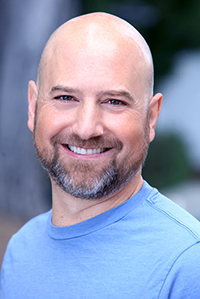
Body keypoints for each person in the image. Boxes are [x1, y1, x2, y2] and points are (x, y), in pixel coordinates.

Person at [1, 12, 200, 299]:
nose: (85, 128)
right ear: (33, 107)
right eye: (65, 98)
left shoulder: (187, 264)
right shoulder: (22, 248)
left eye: (114, 102)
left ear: (151, 117)